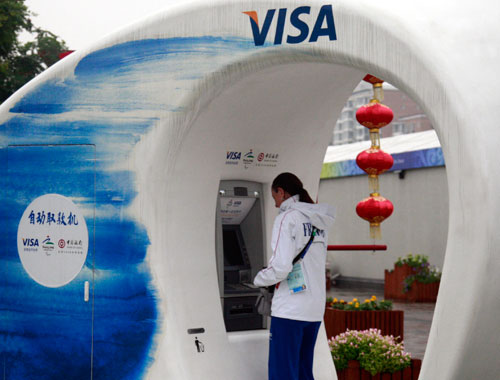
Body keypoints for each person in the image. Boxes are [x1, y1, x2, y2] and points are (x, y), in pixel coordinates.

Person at [254, 172, 335, 380]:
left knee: (283, 372)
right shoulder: (319, 220)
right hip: (314, 309)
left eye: (274, 198)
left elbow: (280, 268)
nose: (275, 205)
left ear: (281, 191)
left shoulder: (288, 218)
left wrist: (257, 279)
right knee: (303, 371)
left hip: (290, 309)